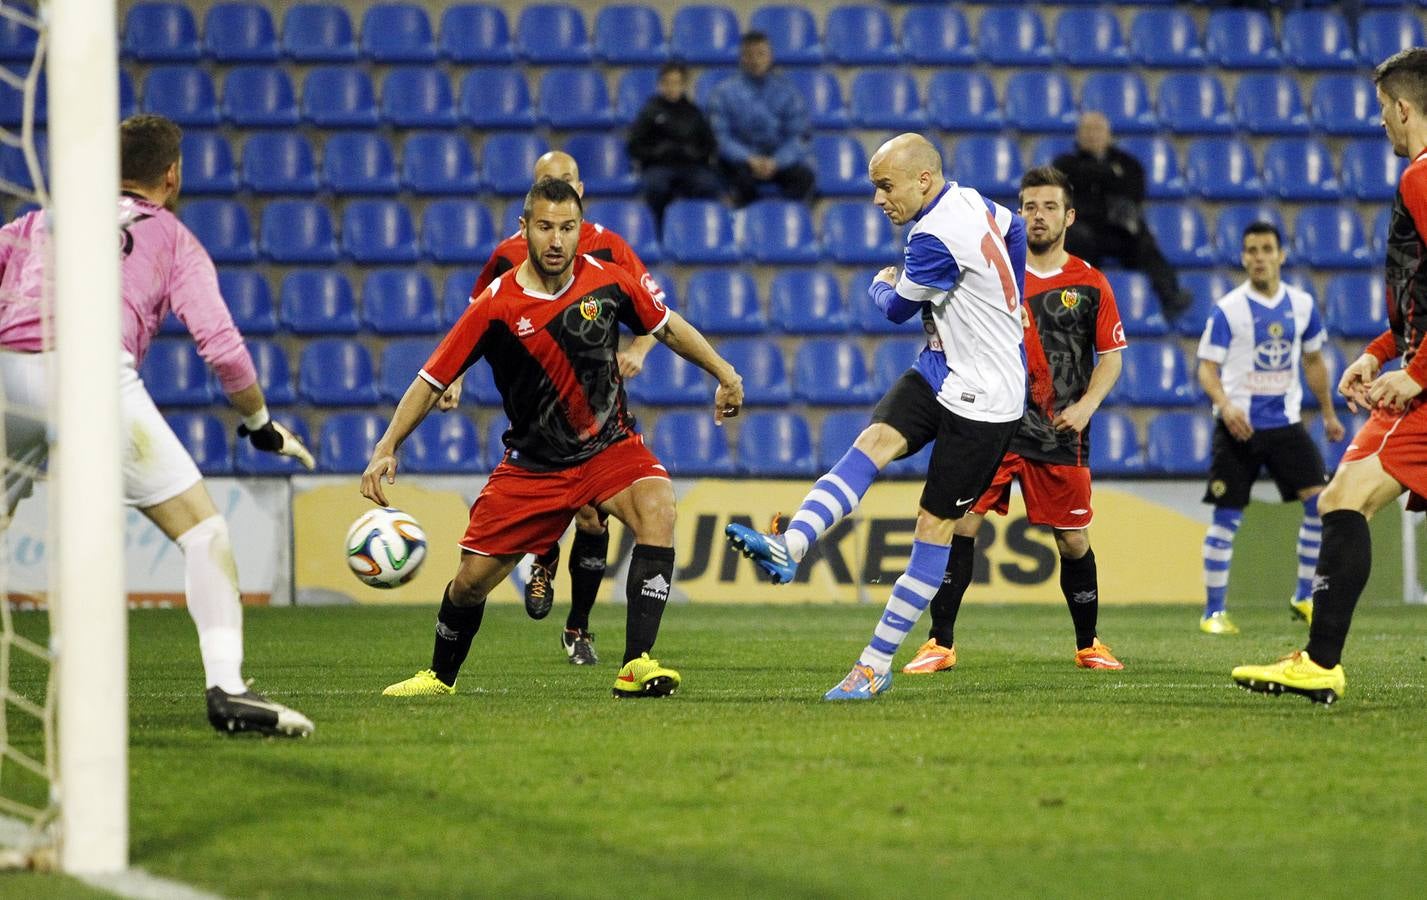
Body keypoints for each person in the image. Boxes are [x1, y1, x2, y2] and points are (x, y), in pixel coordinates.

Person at [0, 114, 315, 737]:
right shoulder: (170, 236)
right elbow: (222, 347)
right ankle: (228, 688)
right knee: (204, 532)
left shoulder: (35, 225)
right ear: (171, 174)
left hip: (9, 373)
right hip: (90, 374)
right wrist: (259, 423)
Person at [372, 178, 743, 699]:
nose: (556, 240)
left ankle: (635, 664)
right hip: (534, 466)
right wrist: (387, 445)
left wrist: (724, 372)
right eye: (545, 227)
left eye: (567, 228)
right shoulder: (496, 306)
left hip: (607, 448)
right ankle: (438, 677)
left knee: (658, 505)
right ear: (523, 229)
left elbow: (668, 327)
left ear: (580, 231)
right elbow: (431, 379)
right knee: (470, 582)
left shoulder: (610, 280)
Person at [725, 133, 1026, 700]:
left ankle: (874, 664)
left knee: (932, 527)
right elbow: (1013, 230)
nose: (877, 199)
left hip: (987, 399)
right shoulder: (972, 200)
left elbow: (893, 309)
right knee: (872, 442)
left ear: (923, 180)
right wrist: (1014, 307)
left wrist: (880, 283)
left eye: (885, 187)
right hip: (943, 367)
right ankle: (791, 547)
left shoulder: (934, 236)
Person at [1233, 48, 1427, 704]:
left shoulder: (1421, 178)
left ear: (1402, 108)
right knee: (1339, 494)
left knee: (1346, 498)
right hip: (1413, 374)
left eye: (1382, 112)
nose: (1381, 125)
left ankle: (1319, 663)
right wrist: (1381, 351)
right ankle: (1317, 662)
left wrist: (1417, 371)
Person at [443, 150, 667, 667]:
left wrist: (637, 349)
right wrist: (451, 378)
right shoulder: (507, 257)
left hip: (596, 416)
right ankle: (542, 551)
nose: (555, 232)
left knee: (593, 518)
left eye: (565, 183)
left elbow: (657, 310)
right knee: (551, 506)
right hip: (537, 415)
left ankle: (579, 628)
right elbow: (472, 326)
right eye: (547, 184)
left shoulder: (610, 249)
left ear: (580, 192)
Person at [900, 166, 1127, 676]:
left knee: (1072, 539)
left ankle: (1089, 643)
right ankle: (940, 642)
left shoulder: (1089, 282)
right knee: (960, 523)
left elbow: (1111, 354)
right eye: (1029, 207)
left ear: (1069, 216)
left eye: (1049, 207)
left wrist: (1087, 406)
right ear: (1017, 214)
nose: (1038, 216)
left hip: (1059, 430)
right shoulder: (993, 268)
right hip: (988, 422)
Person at [1195, 223, 1342, 636]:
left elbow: (1313, 362)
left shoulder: (1302, 305)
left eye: (1266, 249)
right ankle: (1213, 612)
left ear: (1281, 255)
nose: (1258, 257)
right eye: (1251, 250)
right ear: (1243, 258)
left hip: (1286, 425)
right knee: (1226, 519)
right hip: (1238, 428)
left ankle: (1304, 596)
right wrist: (1225, 407)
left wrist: (1329, 414)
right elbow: (1207, 368)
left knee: (1320, 504)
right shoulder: (1228, 309)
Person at [1054, 112, 1192, 320]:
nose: (1092, 135)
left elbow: (1134, 192)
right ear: (1078, 135)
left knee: (1143, 241)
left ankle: (1171, 296)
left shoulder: (1127, 163)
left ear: (1109, 135)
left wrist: (1096, 177)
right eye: (1087, 130)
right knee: (1075, 241)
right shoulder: (1065, 163)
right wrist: (1107, 175)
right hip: (1084, 227)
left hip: (1117, 229)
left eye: (1097, 130)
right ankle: (1083, 306)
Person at [705, 31, 815, 207]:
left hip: (777, 160)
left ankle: (784, 220)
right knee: (732, 177)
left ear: (770, 56)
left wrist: (776, 161)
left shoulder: (787, 93)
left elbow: (799, 136)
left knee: (804, 177)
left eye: (761, 54)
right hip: (741, 163)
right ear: (741, 58)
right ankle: (745, 225)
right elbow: (720, 138)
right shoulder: (723, 93)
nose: (755, 60)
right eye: (749, 55)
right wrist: (749, 159)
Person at [626, 62, 722, 228]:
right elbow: (634, 146)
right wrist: (658, 152)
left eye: (676, 83)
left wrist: (694, 153)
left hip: (690, 166)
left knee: (708, 185)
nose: (671, 88)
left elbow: (709, 145)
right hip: (658, 166)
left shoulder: (694, 112)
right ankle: (657, 230)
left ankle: (697, 227)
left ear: (684, 85)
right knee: (656, 187)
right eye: (667, 83)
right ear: (660, 84)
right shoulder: (649, 112)